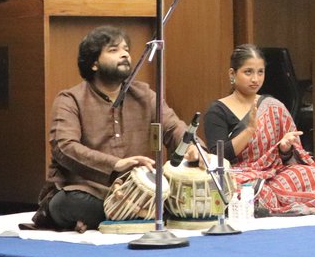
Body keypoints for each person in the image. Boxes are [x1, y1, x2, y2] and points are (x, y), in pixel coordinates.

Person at [33, 25, 197, 231]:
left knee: (181, 193)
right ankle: (138, 215)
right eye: (114, 50)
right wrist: (115, 164)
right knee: (66, 203)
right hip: (90, 191)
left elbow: (173, 127)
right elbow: (64, 147)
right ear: (93, 63)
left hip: (140, 192)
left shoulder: (145, 95)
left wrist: (194, 148)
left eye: (126, 49)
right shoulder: (70, 99)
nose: (125, 54)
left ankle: (126, 214)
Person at [203, 44, 315, 216]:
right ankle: (276, 202)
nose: (255, 79)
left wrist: (285, 149)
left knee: (311, 174)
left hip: (274, 174)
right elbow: (218, 158)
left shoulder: (272, 105)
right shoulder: (217, 110)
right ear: (232, 74)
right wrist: (249, 131)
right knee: (243, 188)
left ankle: (271, 203)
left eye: (260, 72)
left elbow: (285, 160)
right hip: (240, 174)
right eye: (248, 72)